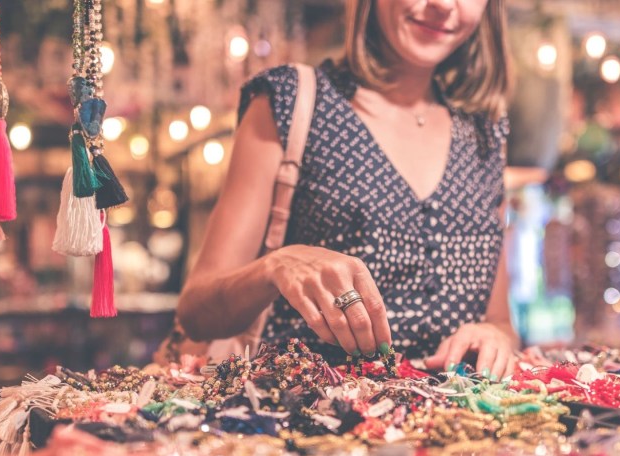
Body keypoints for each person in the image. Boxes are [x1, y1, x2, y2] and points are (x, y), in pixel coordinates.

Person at [176, 0, 519, 380]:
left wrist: (493, 336)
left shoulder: (485, 133)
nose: (441, 5)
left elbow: (501, 321)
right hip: (306, 420)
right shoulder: (292, 99)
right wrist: (277, 265)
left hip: (455, 429)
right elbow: (196, 313)